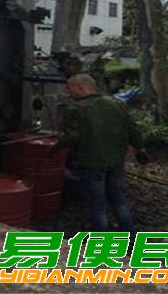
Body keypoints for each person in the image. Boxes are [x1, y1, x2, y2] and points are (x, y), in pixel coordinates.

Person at [53, 74, 149, 235]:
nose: (67, 92)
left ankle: (99, 239)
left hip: (91, 162)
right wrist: (140, 148)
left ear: (80, 88)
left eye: (69, 88)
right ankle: (130, 235)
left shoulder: (76, 108)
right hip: (116, 160)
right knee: (117, 197)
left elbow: (72, 137)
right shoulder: (118, 104)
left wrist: (55, 147)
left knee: (97, 203)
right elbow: (133, 130)